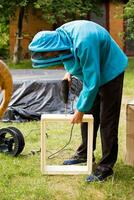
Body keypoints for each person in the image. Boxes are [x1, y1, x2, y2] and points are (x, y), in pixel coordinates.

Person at [29, 20, 128, 182]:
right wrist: (68, 72)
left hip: (111, 68)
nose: (49, 56)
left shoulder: (84, 42)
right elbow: (69, 54)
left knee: (107, 119)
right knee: (89, 113)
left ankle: (106, 166)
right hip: (94, 65)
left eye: (48, 54)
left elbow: (92, 80)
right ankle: (84, 153)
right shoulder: (60, 35)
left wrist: (80, 108)